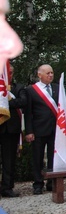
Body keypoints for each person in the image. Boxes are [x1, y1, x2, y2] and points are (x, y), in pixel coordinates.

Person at [24, 64, 59, 195]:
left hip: (55, 129)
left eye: (52, 73)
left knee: (53, 157)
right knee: (38, 157)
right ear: (40, 75)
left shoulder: (56, 88)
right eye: (48, 73)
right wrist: (29, 131)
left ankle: (52, 182)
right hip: (38, 129)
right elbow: (28, 113)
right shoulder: (31, 90)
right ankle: (38, 183)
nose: (50, 75)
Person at [1, 64, 24, 197]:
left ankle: (7, 187)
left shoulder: (18, 88)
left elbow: (23, 101)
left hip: (11, 130)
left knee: (9, 161)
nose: (8, 75)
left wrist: (5, 101)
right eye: (5, 72)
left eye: (10, 73)